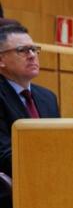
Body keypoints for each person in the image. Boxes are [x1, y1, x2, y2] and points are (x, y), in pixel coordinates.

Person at [0, 24, 60, 175]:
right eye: (22, 50)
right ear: (1, 60)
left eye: (34, 49)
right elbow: (3, 154)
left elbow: (60, 142)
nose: (32, 55)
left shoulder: (48, 97)